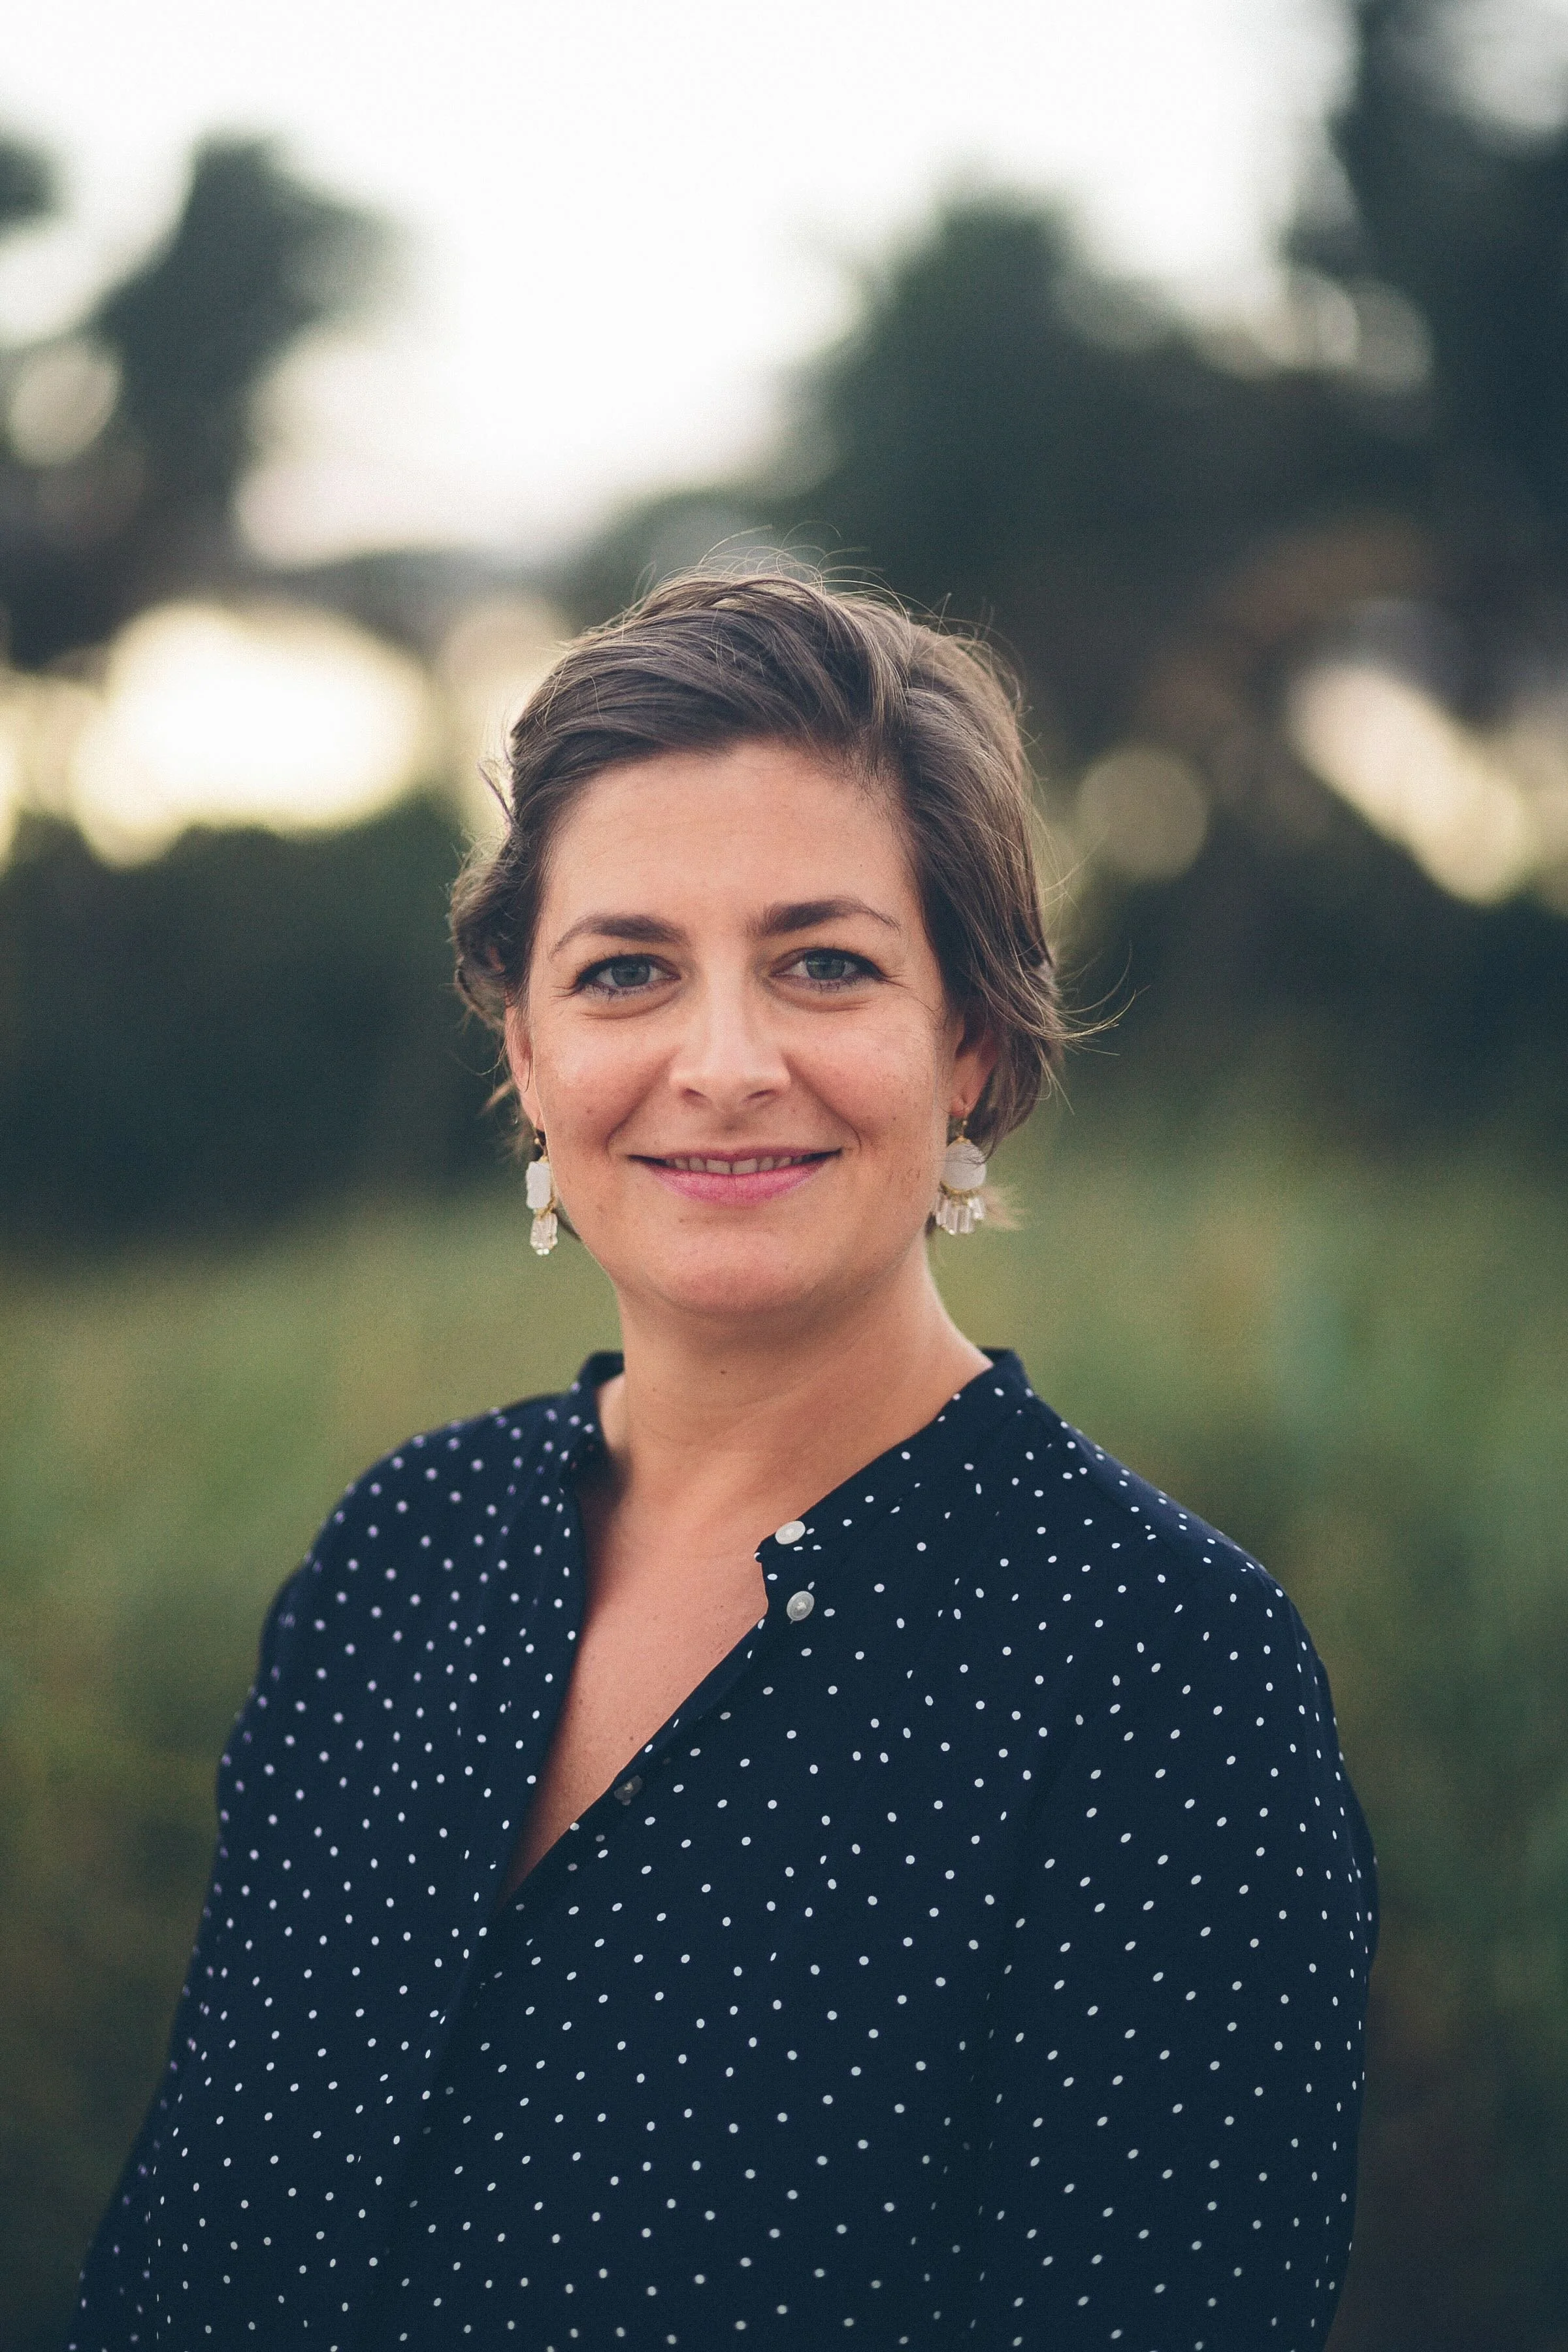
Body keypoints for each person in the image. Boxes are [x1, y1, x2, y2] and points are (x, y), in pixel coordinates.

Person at [71, 573, 1375, 2352]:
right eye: (626, 975)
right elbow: (187, 2250)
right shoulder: (401, 1554)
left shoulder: (1163, 1678)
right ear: (529, 1053)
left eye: (824, 964)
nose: (725, 1062)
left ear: (971, 1042)